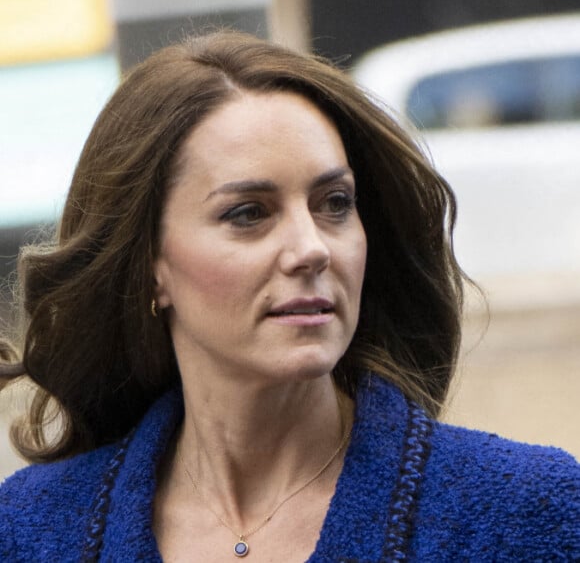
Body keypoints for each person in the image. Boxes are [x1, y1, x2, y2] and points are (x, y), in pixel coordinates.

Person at [0, 31, 578, 562]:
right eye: (248, 213)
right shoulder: (29, 531)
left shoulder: (525, 510)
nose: (311, 248)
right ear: (151, 268)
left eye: (334, 204)